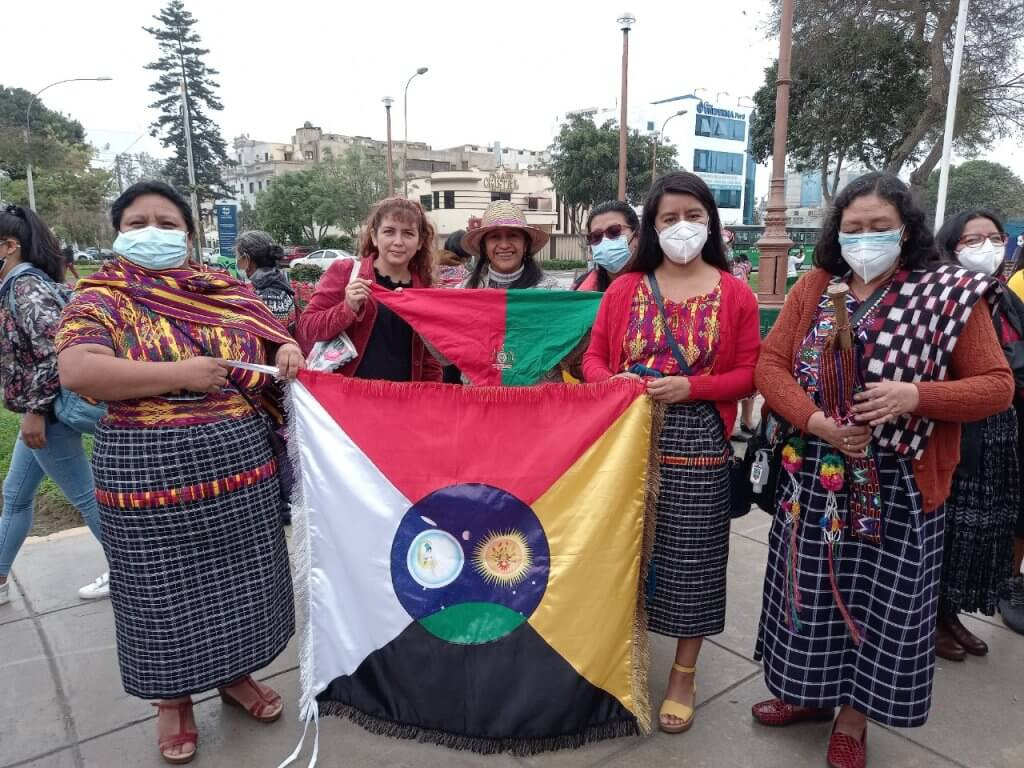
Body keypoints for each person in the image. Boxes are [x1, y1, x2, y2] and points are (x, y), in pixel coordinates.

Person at [752, 173, 1013, 768]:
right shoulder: (816, 286)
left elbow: (996, 386)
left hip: (899, 485)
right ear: (835, 232)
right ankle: (807, 693)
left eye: (878, 228)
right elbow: (771, 365)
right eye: (853, 228)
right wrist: (816, 421)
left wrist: (914, 396)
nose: (864, 238)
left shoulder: (944, 294)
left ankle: (853, 716)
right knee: (807, 592)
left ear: (906, 230)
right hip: (816, 474)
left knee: (878, 605)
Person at [55, 181, 302, 765]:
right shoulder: (101, 297)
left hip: (240, 470)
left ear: (189, 236)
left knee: (241, 583)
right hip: (145, 477)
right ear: (117, 231)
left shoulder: (227, 289)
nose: (153, 232)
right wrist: (180, 374)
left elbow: (267, 344)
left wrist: (284, 349)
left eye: (167, 223)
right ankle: (173, 702)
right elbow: (80, 370)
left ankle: (234, 675)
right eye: (138, 221)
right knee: (158, 593)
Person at [583, 172, 760, 734]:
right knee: (617, 558)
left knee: (694, 565)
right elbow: (591, 358)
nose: (680, 227)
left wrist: (694, 387)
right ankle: (615, 660)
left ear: (710, 221)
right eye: (667, 218)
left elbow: (750, 373)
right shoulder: (623, 290)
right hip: (625, 442)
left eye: (691, 215)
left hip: (698, 444)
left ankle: (683, 673)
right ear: (650, 228)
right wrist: (616, 382)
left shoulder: (735, 293)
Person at [0, 204, 109, 605]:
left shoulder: (25, 288)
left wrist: (34, 411)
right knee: (15, 495)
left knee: (85, 496)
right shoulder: (21, 284)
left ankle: (132, 569)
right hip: (44, 410)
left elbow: (56, 352)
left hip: (48, 412)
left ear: (9, 246)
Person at [933, 209, 1023, 656]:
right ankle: (934, 620)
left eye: (993, 237)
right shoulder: (946, 297)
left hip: (999, 431)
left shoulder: (1003, 296)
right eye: (972, 240)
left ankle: (952, 615)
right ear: (951, 247)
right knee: (951, 531)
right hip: (959, 431)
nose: (986, 247)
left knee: (984, 533)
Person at [297, 197, 442, 382]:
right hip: (348, 397)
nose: (398, 241)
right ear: (374, 236)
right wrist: (347, 308)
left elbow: (430, 360)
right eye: (389, 232)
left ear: (420, 241)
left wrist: (431, 398)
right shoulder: (346, 272)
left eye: (408, 233)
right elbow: (307, 329)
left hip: (405, 401)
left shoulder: (425, 289)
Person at [461, 200, 560, 289]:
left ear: (525, 245)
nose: (504, 245)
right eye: (495, 237)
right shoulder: (466, 290)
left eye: (513, 235)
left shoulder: (550, 291)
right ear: (484, 247)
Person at [574, 201, 640, 291]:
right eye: (596, 236)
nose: (605, 241)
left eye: (614, 231)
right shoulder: (581, 289)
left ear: (637, 235)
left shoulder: (658, 286)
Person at [234, 230, 296, 328]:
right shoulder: (279, 283)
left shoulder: (267, 298)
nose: (237, 263)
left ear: (247, 260)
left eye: (238, 258)